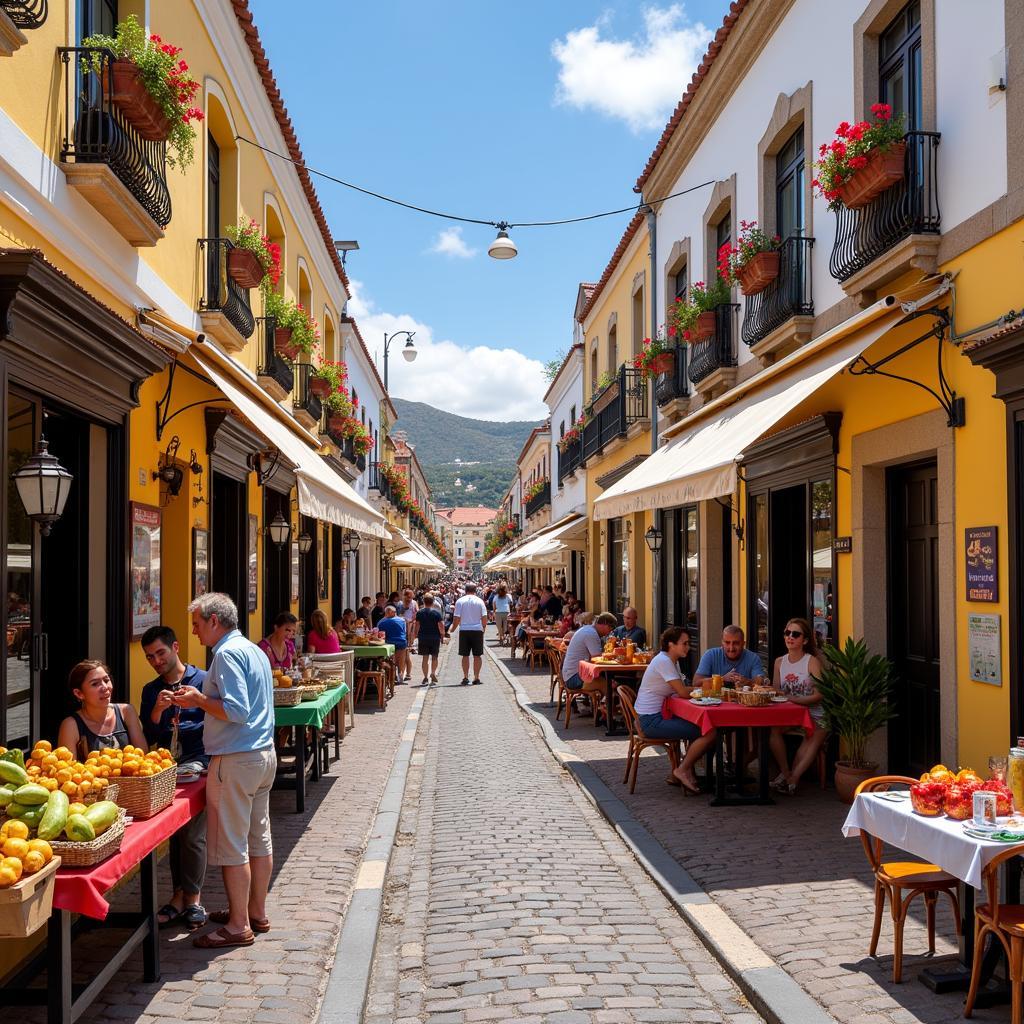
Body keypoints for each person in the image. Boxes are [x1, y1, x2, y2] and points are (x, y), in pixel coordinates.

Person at [175, 593, 276, 949]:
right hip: (262, 754)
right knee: (258, 838)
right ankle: (255, 912)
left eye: (198, 623)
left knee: (234, 845)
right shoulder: (253, 650)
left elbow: (236, 710)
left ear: (214, 621)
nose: (194, 630)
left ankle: (238, 925)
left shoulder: (228, 654)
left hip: (237, 758)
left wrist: (199, 700)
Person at [139, 625, 208, 930]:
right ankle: (180, 895)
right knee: (176, 834)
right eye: (150, 656)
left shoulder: (203, 680)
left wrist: (196, 703)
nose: (156, 661)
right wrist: (157, 710)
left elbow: (218, 718)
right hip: (167, 768)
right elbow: (149, 735)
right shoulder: (151, 690)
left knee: (193, 834)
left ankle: (192, 898)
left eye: (160, 653)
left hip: (200, 763)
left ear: (176, 647)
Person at [633, 627, 718, 794]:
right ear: (671, 644)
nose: (688, 647)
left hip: (651, 717)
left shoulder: (671, 661)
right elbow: (683, 692)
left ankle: (684, 771)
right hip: (650, 721)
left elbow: (680, 690)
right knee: (709, 731)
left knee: (700, 726)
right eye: (684, 643)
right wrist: (707, 689)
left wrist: (698, 686)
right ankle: (682, 769)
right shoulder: (664, 661)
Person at [768, 617, 827, 795]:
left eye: (795, 634)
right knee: (773, 731)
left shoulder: (812, 662)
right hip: (791, 714)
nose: (790, 637)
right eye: (787, 633)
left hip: (816, 713)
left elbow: (819, 695)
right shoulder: (779, 662)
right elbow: (777, 690)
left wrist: (792, 699)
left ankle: (793, 779)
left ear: (805, 640)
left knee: (812, 736)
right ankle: (786, 774)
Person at [58, 660, 147, 756]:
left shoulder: (127, 711)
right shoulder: (71, 725)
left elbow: (144, 756)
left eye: (106, 680)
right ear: (79, 693)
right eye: (95, 684)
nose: (105, 687)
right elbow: (67, 768)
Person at [693, 625, 765, 689]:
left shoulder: (753, 658)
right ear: (722, 642)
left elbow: (761, 681)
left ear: (743, 643)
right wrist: (722, 679)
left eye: (736, 643)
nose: (731, 648)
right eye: (727, 643)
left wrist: (748, 682)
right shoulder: (710, 655)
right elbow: (696, 683)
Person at [562, 612, 619, 691]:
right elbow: (597, 660)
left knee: (609, 681)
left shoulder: (588, 629)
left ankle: (601, 701)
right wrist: (614, 656)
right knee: (610, 685)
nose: (609, 632)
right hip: (573, 678)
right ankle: (607, 702)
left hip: (570, 675)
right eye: (610, 628)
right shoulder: (591, 634)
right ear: (605, 624)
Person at [450, 582, 488, 685]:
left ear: (465, 590)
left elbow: (456, 618)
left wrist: (452, 629)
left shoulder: (460, 601)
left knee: (465, 655)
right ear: (475, 591)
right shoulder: (480, 601)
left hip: (464, 630)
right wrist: (483, 628)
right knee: (477, 655)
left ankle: (465, 677)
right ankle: (476, 677)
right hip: (477, 630)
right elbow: (484, 617)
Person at [412, 593, 446, 685]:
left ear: (424, 601)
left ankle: (425, 677)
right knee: (435, 657)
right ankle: (433, 673)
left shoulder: (420, 613)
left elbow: (417, 625)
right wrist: (442, 635)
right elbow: (441, 625)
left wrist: (415, 635)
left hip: (423, 637)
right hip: (435, 637)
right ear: (432, 602)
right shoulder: (436, 613)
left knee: (425, 658)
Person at [378, 606, 409, 681]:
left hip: (389, 642)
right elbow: (405, 631)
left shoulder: (381, 622)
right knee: (401, 660)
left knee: (392, 660)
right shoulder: (402, 620)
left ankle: (392, 676)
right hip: (401, 642)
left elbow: (380, 634)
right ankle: (400, 674)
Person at [399, 589, 419, 680]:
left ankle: (407, 673)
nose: (409, 599)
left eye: (411, 597)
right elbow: (398, 614)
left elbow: (417, 614)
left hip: (410, 628)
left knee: (406, 653)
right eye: (408, 597)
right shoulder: (400, 604)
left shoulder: (414, 603)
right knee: (403, 654)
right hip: (401, 628)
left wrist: (414, 629)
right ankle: (401, 673)